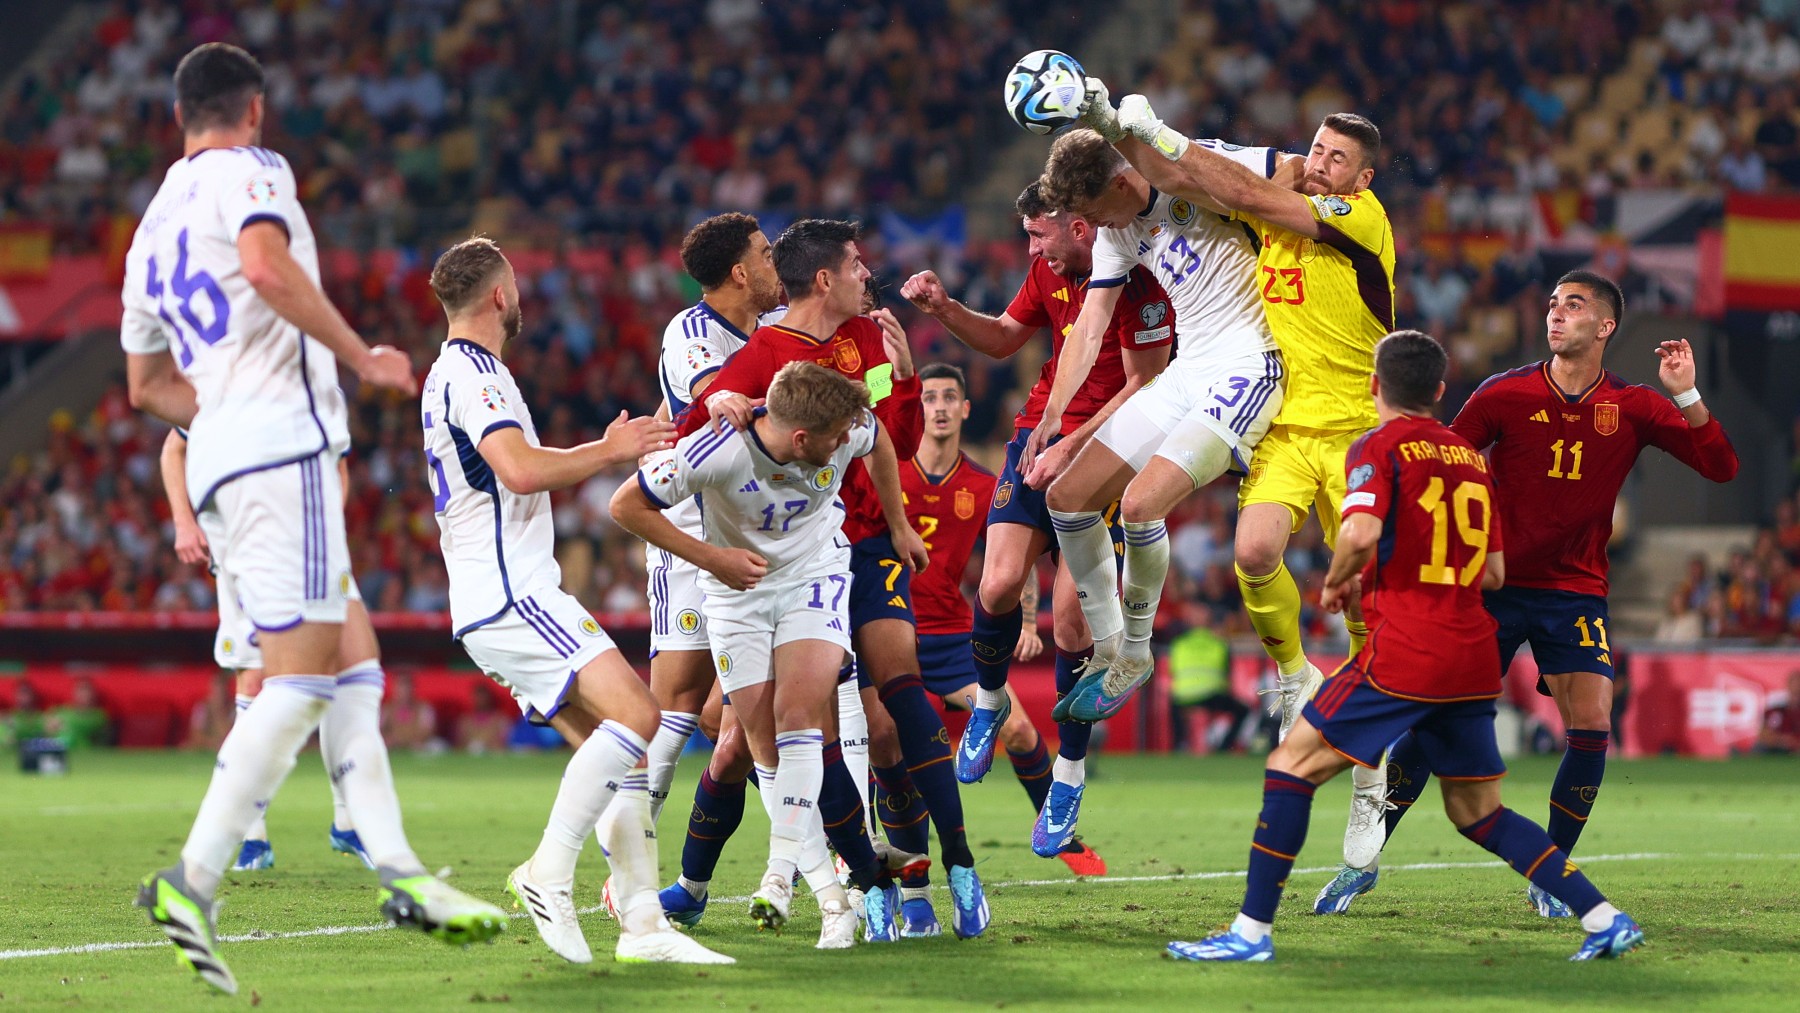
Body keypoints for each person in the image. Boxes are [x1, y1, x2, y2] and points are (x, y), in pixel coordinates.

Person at [122, 44, 504, 995]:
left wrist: (221, 419)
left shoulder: (147, 230)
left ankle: (399, 870)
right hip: (279, 449)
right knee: (296, 682)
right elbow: (262, 262)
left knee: (355, 659)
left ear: (181, 114)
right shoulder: (254, 172)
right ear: (252, 110)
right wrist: (358, 356)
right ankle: (193, 878)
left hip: (224, 456)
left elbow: (144, 386)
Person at [1167, 331, 1644, 964]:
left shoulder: (1376, 444)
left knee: (1289, 769)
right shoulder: (1475, 462)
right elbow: (1496, 573)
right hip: (1474, 655)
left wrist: (1338, 582)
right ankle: (1604, 917)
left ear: (1374, 387)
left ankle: (1249, 934)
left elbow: (1359, 529)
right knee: (1478, 813)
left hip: (1408, 649)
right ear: (1441, 393)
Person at [1314, 273, 1739, 915]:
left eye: (1574, 306)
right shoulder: (1504, 393)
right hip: (1493, 586)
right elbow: (1443, 460)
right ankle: (1362, 862)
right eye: (1552, 305)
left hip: (1575, 591)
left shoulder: (1635, 405)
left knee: (1592, 725)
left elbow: (1722, 467)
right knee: (1431, 723)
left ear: (1605, 327)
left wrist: (1688, 396)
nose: (1556, 315)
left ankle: (1551, 872)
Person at [1079, 86, 1397, 865]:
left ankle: (1370, 776)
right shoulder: (1277, 204)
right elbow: (1190, 184)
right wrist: (1118, 126)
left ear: (1361, 181)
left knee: (1362, 595)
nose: (1319, 163)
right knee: (1253, 553)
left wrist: (1160, 128)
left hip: (1355, 427)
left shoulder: (1359, 219)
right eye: (1317, 149)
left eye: (1337, 160)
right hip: (1288, 423)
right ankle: (1294, 676)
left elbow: (1241, 187)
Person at [420, 236, 727, 966]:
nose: (520, 295)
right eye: (516, 284)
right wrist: (611, 449)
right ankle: (546, 871)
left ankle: (644, 923)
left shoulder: (455, 372)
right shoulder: (474, 373)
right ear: (499, 295)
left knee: (616, 756)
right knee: (641, 716)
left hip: (496, 596)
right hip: (511, 593)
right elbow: (520, 470)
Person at [691, 219, 991, 939]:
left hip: (866, 544)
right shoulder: (765, 351)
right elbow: (702, 425)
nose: (869, 275)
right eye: (858, 265)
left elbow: (890, 432)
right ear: (824, 278)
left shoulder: (867, 339)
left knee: (898, 689)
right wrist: (717, 403)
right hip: (798, 561)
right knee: (816, 731)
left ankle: (957, 862)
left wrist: (908, 383)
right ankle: (873, 879)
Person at [901, 181, 1168, 864]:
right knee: (994, 587)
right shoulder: (1049, 269)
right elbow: (1003, 337)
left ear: (1079, 227)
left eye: (1038, 234)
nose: (1030, 248)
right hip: (1038, 436)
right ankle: (988, 703)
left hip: (1109, 450)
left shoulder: (1138, 282)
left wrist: (1072, 445)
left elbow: (1146, 383)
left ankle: (1068, 780)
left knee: (1075, 625)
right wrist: (947, 308)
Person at [615, 362, 907, 948]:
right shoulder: (716, 449)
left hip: (814, 576)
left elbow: (880, 439)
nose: (843, 442)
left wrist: (898, 523)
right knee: (762, 742)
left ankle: (783, 877)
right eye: (832, 438)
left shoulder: (845, 427)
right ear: (801, 439)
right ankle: (831, 897)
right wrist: (711, 559)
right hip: (736, 594)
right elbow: (627, 506)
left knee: (799, 718)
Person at [1028, 125, 1292, 730]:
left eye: (1094, 209)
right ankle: (1111, 644)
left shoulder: (1192, 174)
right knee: (1066, 496)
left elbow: (1290, 168)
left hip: (1249, 364)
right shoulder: (1115, 231)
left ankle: (1137, 654)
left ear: (1122, 181)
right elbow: (1090, 328)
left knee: (1142, 506)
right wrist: (1051, 416)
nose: (1092, 225)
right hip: (1187, 368)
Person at [904, 363, 1108, 913]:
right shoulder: (891, 471)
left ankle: (1062, 835)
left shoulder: (981, 482)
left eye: (951, 397)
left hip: (949, 636)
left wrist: (1027, 616)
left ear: (967, 409)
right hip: (891, 630)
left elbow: (1021, 553)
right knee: (889, 744)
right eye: (929, 398)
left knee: (1018, 727)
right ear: (916, 408)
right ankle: (850, 853)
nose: (940, 407)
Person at [162, 427, 374, 872]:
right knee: (255, 677)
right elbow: (173, 446)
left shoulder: (318, 377)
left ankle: (349, 821)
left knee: (344, 665)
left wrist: (325, 526)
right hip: (244, 543)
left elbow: (337, 463)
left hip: (310, 543)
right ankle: (251, 838)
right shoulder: (231, 374)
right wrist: (184, 521)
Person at [641, 213, 786, 829]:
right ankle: (628, 853)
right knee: (680, 708)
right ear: (740, 272)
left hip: (766, 532)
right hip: (692, 537)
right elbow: (719, 403)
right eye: (766, 253)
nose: (775, 262)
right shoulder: (691, 332)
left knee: (763, 709)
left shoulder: (777, 325)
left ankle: (819, 837)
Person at [1756, 671, 1800, 754]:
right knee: (1761, 746)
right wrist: (1783, 740)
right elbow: (1765, 732)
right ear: (1788, 686)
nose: (1797, 688)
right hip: (1779, 747)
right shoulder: (1777, 712)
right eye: (1794, 685)